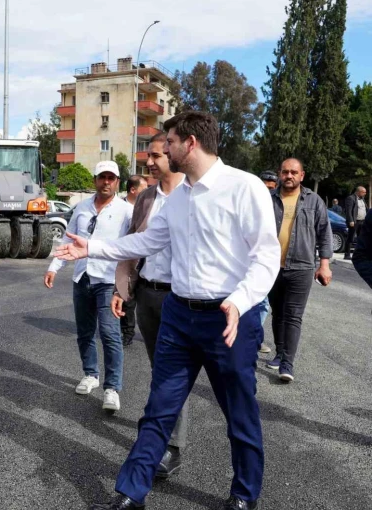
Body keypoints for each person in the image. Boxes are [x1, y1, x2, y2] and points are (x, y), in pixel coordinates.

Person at [55, 112, 280, 510]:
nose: (162, 150)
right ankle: (132, 491)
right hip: (179, 315)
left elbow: (267, 257)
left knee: (239, 413)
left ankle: (245, 494)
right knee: (159, 408)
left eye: (170, 143)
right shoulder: (177, 199)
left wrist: (241, 301)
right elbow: (144, 243)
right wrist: (91, 248)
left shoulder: (244, 188)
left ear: (190, 143)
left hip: (229, 318)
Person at [112, 132, 187, 477]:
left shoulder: (194, 195)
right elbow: (131, 242)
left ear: (173, 153)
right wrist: (122, 288)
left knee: (174, 374)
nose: (150, 162)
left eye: (156, 155)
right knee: (160, 370)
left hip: (183, 297)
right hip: (148, 293)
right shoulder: (145, 198)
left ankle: (170, 446)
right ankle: (157, 434)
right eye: (149, 157)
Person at [44, 161, 132, 411]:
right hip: (82, 278)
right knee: (84, 332)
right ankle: (91, 374)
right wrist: (53, 267)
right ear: (95, 180)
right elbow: (67, 240)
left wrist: (126, 283)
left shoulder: (126, 211)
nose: (106, 182)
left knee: (109, 334)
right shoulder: (81, 208)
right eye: (102, 177)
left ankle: (112, 388)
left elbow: (132, 247)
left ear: (117, 182)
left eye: (111, 178)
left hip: (108, 280)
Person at [265, 158, 332, 383]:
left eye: (294, 172)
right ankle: (279, 352)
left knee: (293, 316)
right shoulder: (268, 199)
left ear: (302, 175)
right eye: (285, 172)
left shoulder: (314, 201)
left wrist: (324, 265)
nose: (289, 176)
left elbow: (324, 232)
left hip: (302, 267)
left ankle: (287, 363)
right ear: (279, 174)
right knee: (277, 313)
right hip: (271, 266)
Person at [120, 175, 147, 345]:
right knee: (126, 298)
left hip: (144, 258)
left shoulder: (147, 207)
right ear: (133, 190)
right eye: (145, 188)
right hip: (127, 259)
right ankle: (127, 333)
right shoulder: (120, 208)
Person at [257, 172, 280, 354]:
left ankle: (254, 336)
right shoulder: (250, 201)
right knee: (260, 302)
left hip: (274, 261)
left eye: (271, 188)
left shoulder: (278, 205)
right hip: (252, 261)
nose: (268, 191)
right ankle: (254, 338)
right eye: (265, 186)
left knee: (265, 304)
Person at [343, 186, 367, 260]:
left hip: (362, 221)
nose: (365, 194)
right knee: (350, 238)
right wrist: (351, 220)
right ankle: (347, 255)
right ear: (358, 191)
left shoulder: (362, 199)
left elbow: (365, 209)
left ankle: (359, 254)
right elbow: (348, 211)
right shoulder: (351, 198)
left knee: (361, 238)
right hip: (354, 222)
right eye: (364, 192)